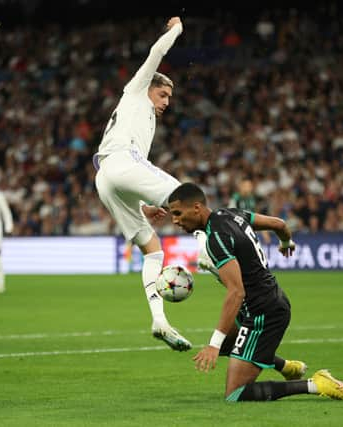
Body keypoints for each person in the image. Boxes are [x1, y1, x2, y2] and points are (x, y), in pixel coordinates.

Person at [166, 182, 343, 402]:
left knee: (235, 393)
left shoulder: (216, 238)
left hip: (262, 313)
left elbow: (236, 292)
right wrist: (286, 242)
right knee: (229, 342)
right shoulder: (231, 213)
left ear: (197, 208)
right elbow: (279, 224)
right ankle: (286, 367)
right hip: (263, 301)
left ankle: (316, 384)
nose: (175, 220)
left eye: (178, 213)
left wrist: (212, 345)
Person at [93, 17, 191, 351]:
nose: (166, 101)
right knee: (187, 196)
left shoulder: (142, 119)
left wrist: (144, 206)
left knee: (154, 250)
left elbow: (113, 168)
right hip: (119, 163)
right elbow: (156, 51)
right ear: (149, 86)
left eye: (169, 98)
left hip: (106, 176)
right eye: (163, 94)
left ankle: (160, 321)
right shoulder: (136, 91)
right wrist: (176, 29)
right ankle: (207, 250)